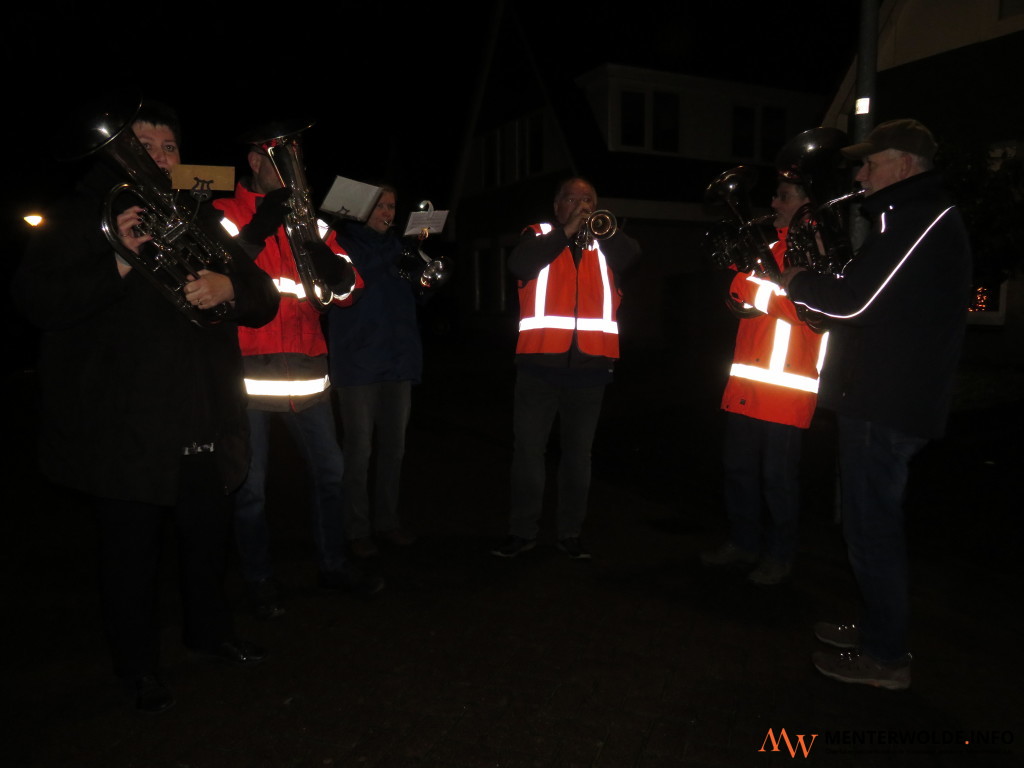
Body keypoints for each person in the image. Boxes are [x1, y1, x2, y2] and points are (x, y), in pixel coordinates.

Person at [13, 99, 281, 713]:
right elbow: (37, 302)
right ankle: (136, 667)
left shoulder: (199, 217)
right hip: (125, 426)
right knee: (130, 555)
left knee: (205, 541)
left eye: (167, 149)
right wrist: (117, 259)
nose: (157, 158)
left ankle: (209, 634)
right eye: (144, 146)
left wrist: (231, 287)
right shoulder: (81, 218)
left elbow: (263, 298)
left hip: (203, 415)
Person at [781, 119, 972, 690]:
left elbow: (852, 306)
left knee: (872, 530)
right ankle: (875, 630)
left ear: (906, 165)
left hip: (887, 405)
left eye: (870, 162)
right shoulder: (901, 219)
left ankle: (886, 658)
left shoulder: (920, 217)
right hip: (877, 396)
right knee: (867, 527)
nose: (859, 173)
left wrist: (797, 280)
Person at [213, 133, 384, 615]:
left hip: (308, 374)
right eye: (280, 159)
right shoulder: (227, 211)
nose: (293, 169)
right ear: (253, 161)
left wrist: (328, 259)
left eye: (297, 160)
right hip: (248, 376)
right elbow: (216, 269)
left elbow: (351, 288)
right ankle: (258, 579)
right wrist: (265, 223)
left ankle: (332, 565)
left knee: (332, 476)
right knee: (251, 490)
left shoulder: (310, 221)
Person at [492, 177, 640, 560]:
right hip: (539, 364)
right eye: (572, 199)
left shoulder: (608, 241)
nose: (581, 205)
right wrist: (567, 231)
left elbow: (630, 257)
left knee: (578, 457)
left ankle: (570, 533)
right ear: (557, 205)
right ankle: (522, 532)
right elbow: (519, 264)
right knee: (528, 453)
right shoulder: (537, 235)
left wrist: (600, 232)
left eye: (588, 199)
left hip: (591, 367)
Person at [700, 177, 827, 585]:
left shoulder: (821, 252)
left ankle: (780, 555)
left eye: (784, 196)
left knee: (778, 481)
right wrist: (740, 289)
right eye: (774, 194)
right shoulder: (768, 250)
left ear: (809, 203)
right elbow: (738, 303)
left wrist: (746, 288)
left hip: (788, 389)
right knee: (737, 470)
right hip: (746, 384)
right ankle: (743, 543)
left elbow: (806, 311)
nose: (773, 201)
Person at [327, 185, 435, 558]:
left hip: (398, 360)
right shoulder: (342, 241)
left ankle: (387, 523)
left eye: (392, 206)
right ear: (363, 210)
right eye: (381, 206)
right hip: (358, 363)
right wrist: (397, 251)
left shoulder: (399, 246)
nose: (388, 212)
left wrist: (422, 271)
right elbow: (352, 280)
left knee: (394, 450)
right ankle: (356, 530)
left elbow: (422, 293)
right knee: (359, 451)